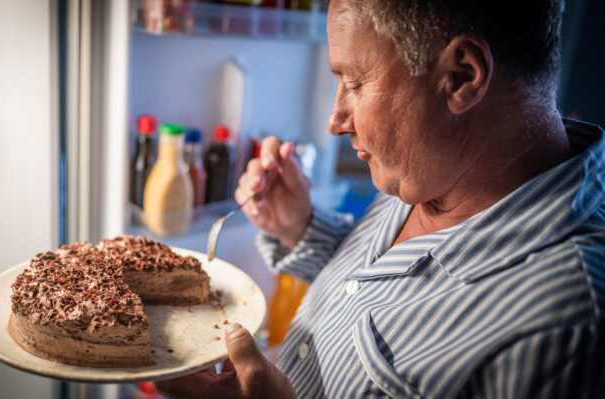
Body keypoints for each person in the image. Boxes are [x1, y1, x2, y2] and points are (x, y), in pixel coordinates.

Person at [156, 0, 605, 397]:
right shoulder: (433, 162)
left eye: (354, 81)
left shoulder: (568, 327)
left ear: (461, 76)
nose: (335, 120)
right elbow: (381, 286)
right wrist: (300, 225)